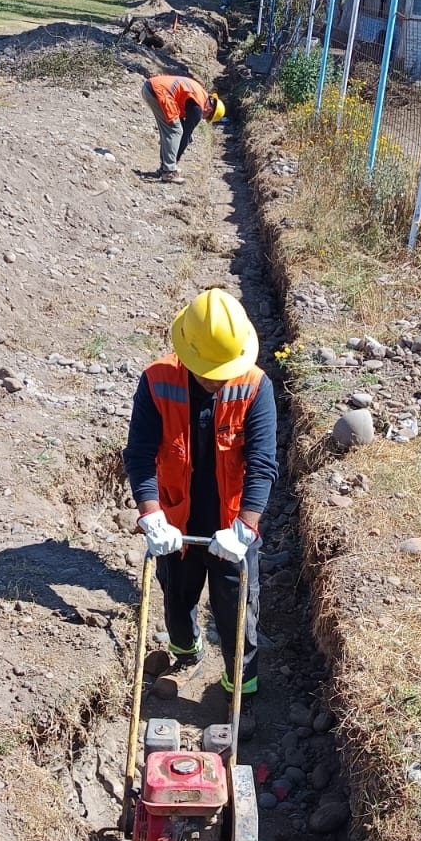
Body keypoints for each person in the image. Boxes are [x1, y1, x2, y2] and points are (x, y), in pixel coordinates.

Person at [123, 288, 276, 702]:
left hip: (232, 524)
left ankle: (239, 691)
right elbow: (139, 454)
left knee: (237, 613)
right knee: (176, 598)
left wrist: (244, 528)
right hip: (177, 520)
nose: (221, 378)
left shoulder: (254, 386)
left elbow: (262, 464)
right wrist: (152, 516)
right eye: (212, 370)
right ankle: (186, 653)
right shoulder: (157, 382)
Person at [140, 73, 224, 185]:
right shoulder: (198, 108)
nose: (204, 119)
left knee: (171, 130)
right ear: (209, 110)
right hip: (158, 92)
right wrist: (176, 160)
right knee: (175, 130)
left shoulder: (200, 95)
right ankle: (169, 172)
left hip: (152, 87)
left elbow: (185, 129)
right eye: (207, 117)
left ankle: (165, 167)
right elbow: (185, 135)